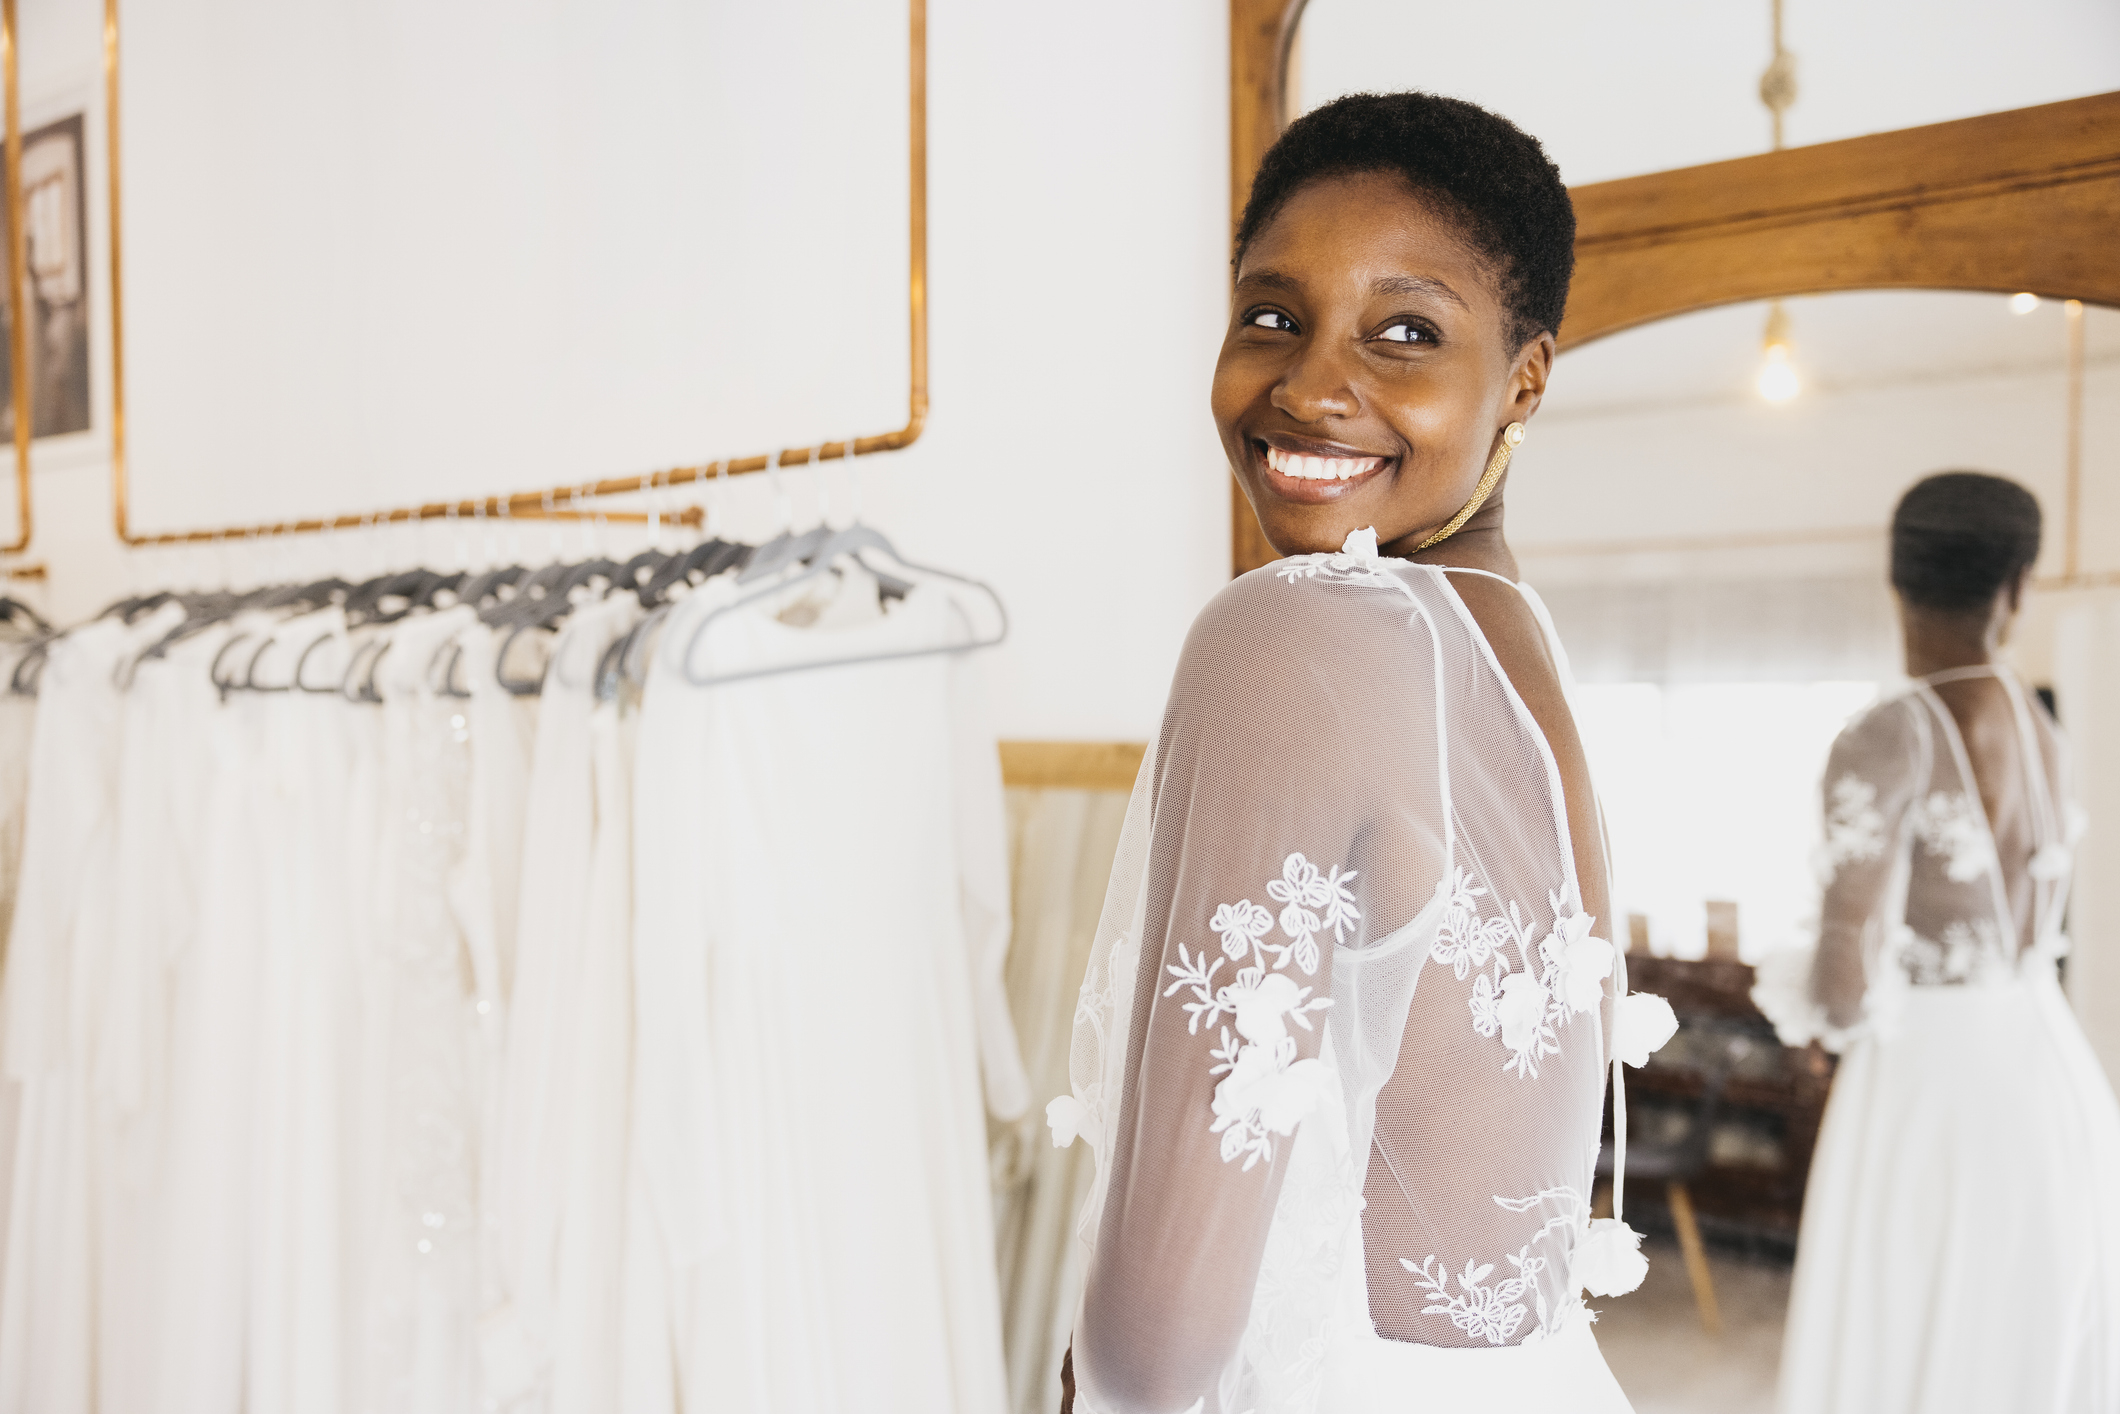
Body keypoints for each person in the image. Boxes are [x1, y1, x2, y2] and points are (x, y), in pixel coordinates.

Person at [1047, 92, 1674, 1414]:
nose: (1310, 383)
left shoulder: (1299, 633)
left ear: (1525, 377)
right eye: (1272, 314)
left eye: (1405, 331)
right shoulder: (1514, 648)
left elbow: (1154, 1349)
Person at [1760, 471, 2120, 1413]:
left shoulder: (1889, 733)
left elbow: (1841, 984)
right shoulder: (2044, 730)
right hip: (2050, 1074)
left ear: (1898, 580)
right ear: (2016, 588)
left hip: (1932, 1084)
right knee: (2010, 1336)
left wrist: (1812, 1002)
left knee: (1907, 1325)